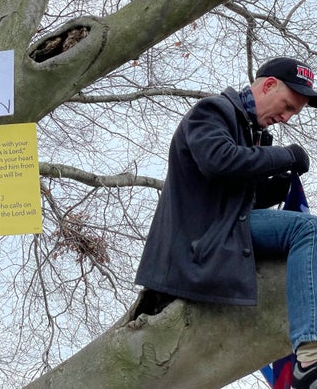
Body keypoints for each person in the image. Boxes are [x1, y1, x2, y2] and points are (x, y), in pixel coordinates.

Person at [134, 57, 317, 388]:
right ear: (268, 85)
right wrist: (286, 156)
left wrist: (278, 182)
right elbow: (218, 160)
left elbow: (240, 195)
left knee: (303, 230)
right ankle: (310, 355)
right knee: (307, 229)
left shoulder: (256, 134)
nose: (286, 117)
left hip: (228, 230)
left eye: (294, 114)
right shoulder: (212, 111)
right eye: (288, 106)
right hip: (202, 240)